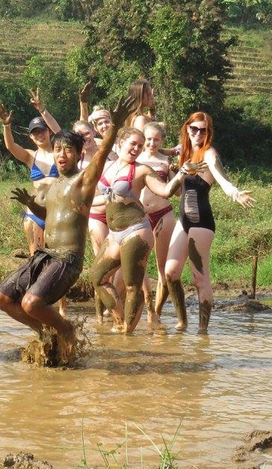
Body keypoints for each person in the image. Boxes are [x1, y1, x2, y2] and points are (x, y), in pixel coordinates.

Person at [0, 97, 133, 362]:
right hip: (45, 255)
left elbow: (101, 156)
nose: (61, 154)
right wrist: (31, 204)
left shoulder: (84, 180)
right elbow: (48, 214)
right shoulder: (54, 185)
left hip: (67, 258)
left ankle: (65, 328)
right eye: (58, 149)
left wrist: (114, 126)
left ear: (79, 154)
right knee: (0, 297)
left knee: (31, 303)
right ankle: (47, 331)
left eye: (68, 149)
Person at [159, 113, 255, 333]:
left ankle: (203, 330)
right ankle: (182, 321)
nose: (198, 134)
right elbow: (158, 150)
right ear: (187, 128)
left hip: (201, 222)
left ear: (208, 132)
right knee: (170, 272)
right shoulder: (183, 151)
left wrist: (234, 192)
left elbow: (222, 178)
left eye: (203, 130)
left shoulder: (209, 153)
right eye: (194, 129)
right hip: (183, 220)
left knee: (199, 277)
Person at [87, 127, 184, 333]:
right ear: (121, 142)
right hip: (114, 234)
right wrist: (80, 205)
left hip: (136, 231)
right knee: (98, 277)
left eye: (140, 146)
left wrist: (181, 173)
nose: (137, 149)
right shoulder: (108, 166)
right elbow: (105, 198)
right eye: (133, 144)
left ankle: (127, 334)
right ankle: (121, 322)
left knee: (133, 285)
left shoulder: (141, 170)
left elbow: (165, 191)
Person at [0, 103, 59, 255]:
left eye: (42, 131)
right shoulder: (30, 155)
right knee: (36, 255)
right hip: (34, 210)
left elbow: (64, 134)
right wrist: (6, 126)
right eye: (35, 133)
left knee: (56, 255)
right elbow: (11, 147)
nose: (40, 135)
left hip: (56, 209)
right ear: (31, 136)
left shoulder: (60, 153)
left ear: (49, 131)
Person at [138, 122, 177, 322]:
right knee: (141, 264)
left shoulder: (166, 161)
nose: (152, 143)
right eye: (149, 139)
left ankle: (158, 312)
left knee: (162, 267)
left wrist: (177, 172)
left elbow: (177, 192)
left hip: (163, 213)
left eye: (156, 139)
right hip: (140, 216)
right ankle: (148, 304)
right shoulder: (135, 159)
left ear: (162, 141)